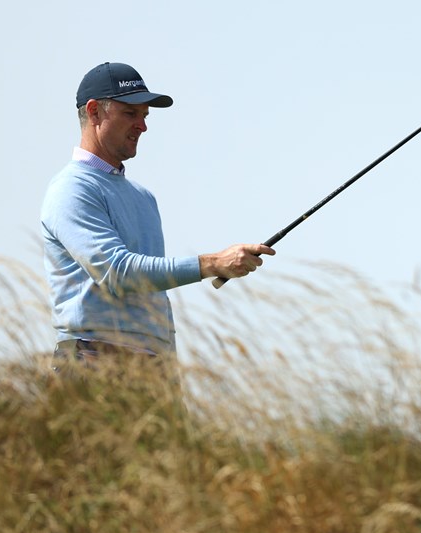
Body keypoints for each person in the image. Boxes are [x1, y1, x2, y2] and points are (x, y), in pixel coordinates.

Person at [41, 62, 275, 366]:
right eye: (130, 113)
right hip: (94, 359)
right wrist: (213, 263)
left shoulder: (143, 198)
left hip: (155, 365)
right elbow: (118, 273)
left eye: (145, 116)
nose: (142, 125)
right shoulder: (71, 189)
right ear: (95, 111)